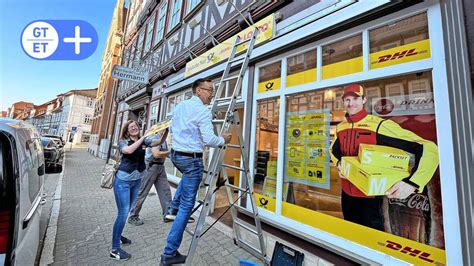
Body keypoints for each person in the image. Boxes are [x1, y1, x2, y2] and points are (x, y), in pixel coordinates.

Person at [329, 84, 438, 231]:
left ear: (364, 100)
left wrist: (413, 183)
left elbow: (428, 149)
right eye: (347, 100)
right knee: (351, 233)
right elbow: (333, 150)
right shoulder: (341, 127)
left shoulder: (380, 125)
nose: (351, 103)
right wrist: (339, 163)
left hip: (372, 199)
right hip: (347, 194)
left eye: (355, 98)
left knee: (372, 241)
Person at [160, 78, 232, 265]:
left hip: (177, 156)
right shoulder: (202, 111)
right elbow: (209, 140)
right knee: (187, 207)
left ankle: (172, 208)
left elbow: (173, 128)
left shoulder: (179, 107)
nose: (212, 94)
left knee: (186, 178)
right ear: (198, 90)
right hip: (191, 159)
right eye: (209, 90)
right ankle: (169, 253)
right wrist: (223, 139)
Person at [109, 120, 153, 261]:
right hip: (123, 181)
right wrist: (143, 137)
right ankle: (115, 250)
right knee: (123, 213)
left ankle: (118, 236)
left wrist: (164, 133)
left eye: (136, 126)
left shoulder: (143, 141)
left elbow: (156, 143)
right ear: (127, 131)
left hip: (136, 180)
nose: (134, 128)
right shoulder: (123, 141)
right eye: (131, 127)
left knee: (126, 212)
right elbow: (128, 150)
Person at [128, 128, 188, 225]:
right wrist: (171, 152)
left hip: (160, 167)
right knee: (142, 192)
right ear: (159, 129)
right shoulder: (154, 138)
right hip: (150, 167)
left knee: (165, 192)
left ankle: (167, 215)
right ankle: (133, 216)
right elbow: (156, 154)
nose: (166, 131)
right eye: (164, 129)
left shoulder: (163, 140)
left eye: (167, 130)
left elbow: (167, 154)